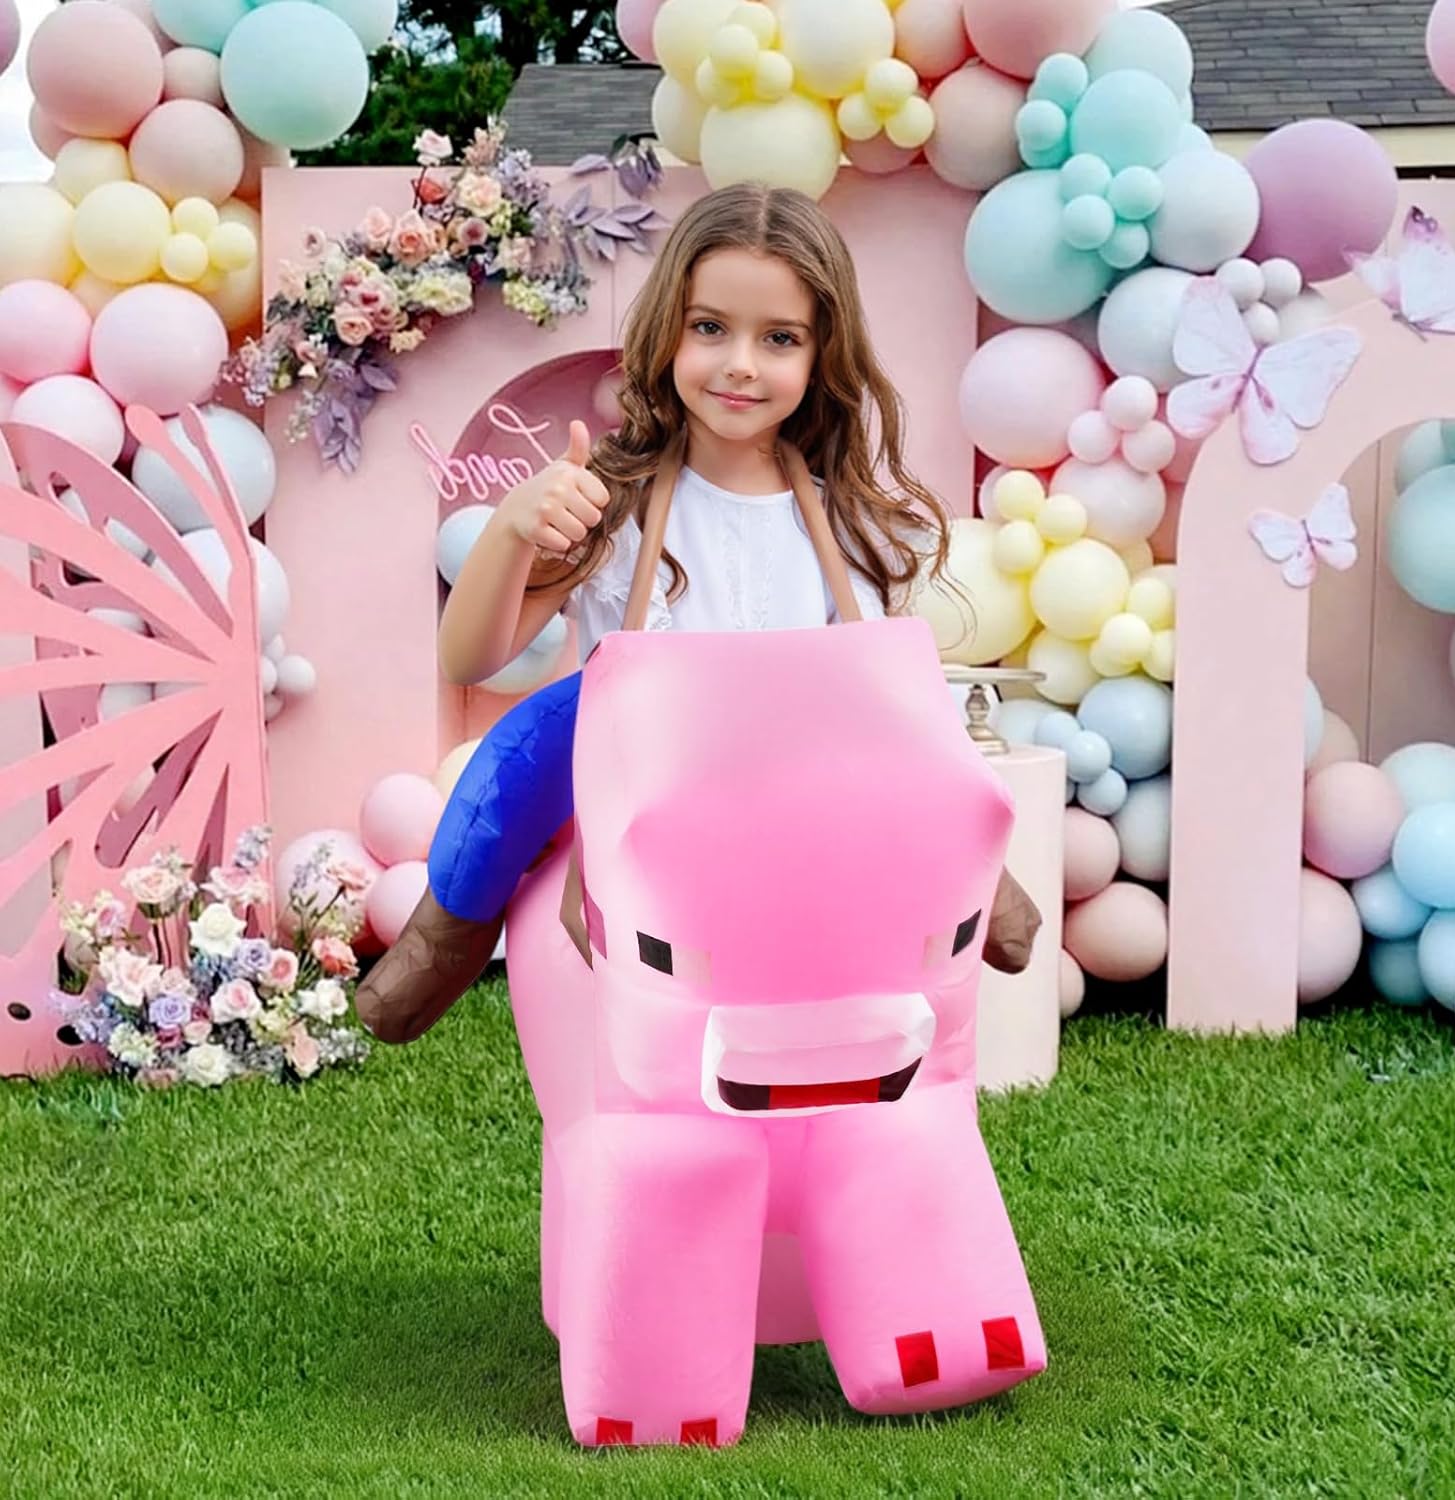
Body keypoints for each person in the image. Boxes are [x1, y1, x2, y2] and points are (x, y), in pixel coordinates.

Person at [355, 182, 1040, 1043]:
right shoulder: (617, 504)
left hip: (800, 786)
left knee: (913, 735)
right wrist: (512, 530)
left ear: (822, 354)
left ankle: (981, 879)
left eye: (779, 338)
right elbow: (470, 658)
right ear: (667, 334)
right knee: (531, 743)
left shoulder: (848, 520)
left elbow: (881, 712)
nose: (740, 363)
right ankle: (445, 935)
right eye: (709, 328)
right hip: (651, 779)